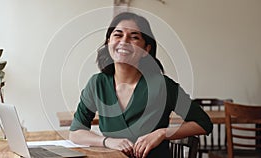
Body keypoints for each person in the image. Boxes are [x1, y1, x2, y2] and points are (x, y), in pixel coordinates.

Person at [69, 12, 213, 158]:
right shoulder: (97, 84)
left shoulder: (162, 86)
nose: (124, 41)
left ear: (146, 50)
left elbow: (203, 123)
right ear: (108, 43)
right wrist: (107, 141)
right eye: (118, 35)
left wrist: (162, 133)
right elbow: (75, 132)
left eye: (134, 37)